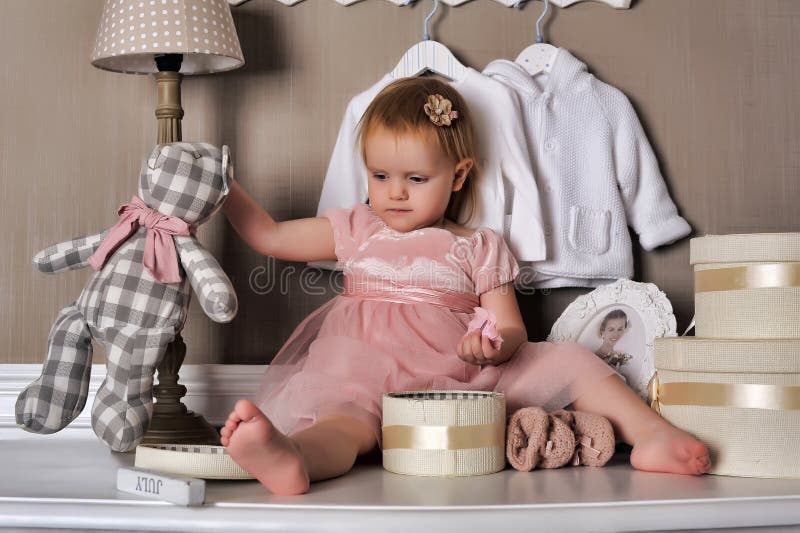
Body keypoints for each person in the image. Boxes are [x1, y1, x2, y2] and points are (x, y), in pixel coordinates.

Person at [219, 78, 710, 495]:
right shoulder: (357, 228)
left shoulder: (477, 245)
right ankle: (294, 459)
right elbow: (270, 235)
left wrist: (494, 346)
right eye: (379, 174)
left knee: (571, 360)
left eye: (415, 177)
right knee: (343, 425)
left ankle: (652, 435)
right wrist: (221, 185)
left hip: (462, 378)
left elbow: (512, 327)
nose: (395, 191)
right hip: (362, 371)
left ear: (457, 176)